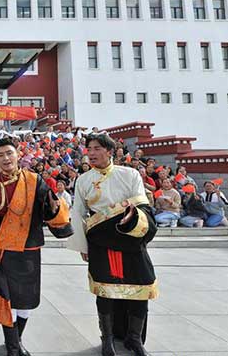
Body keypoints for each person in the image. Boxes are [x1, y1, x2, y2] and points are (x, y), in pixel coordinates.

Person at [0, 139, 72, 356]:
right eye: (1, 155)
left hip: (30, 249)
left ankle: (17, 341)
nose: (6, 158)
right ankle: (13, 348)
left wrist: (54, 208)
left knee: (26, 301)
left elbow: (49, 209)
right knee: (8, 301)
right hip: (5, 249)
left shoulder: (35, 181)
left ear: (18, 154)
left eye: (9, 153)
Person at [66, 133, 158, 356]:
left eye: (97, 148)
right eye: (89, 148)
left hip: (130, 238)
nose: (92, 152)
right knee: (105, 291)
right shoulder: (84, 180)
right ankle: (106, 338)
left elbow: (141, 204)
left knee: (141, 287)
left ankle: (134, 339)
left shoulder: (130, 174)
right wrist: (82, 247)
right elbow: (78, 214)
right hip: (100, 241)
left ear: (110, 151)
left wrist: (129, 220)